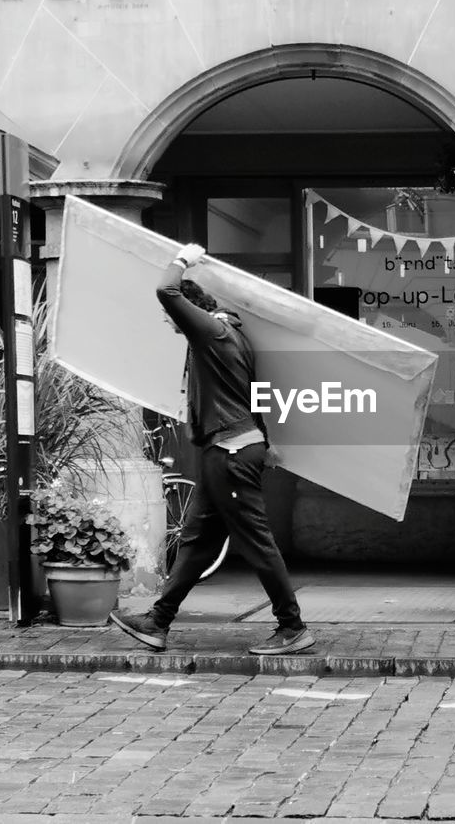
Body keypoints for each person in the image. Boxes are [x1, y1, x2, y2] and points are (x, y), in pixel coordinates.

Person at [110, 244, 315, 655]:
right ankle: (157, 621)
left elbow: (166, 290)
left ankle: (292, 628)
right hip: (231, 449)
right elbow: (253, 394)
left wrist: (185, 258)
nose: (171, 324)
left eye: (174, 320)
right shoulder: (231, 335)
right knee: (198, 542)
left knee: (257, 544)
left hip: (232, 453)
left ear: (191, 310)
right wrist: (266, 442)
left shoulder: (211, 332)